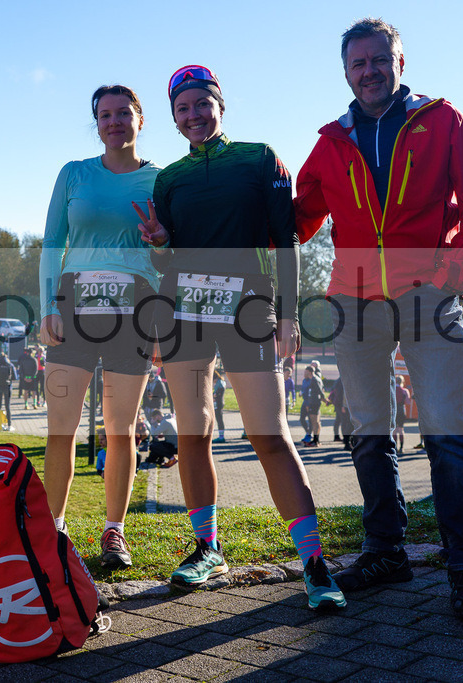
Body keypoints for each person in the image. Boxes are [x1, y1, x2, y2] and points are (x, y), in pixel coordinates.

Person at [295, 18, 463, 620]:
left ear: (400, 62)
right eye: (358, 63)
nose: (369, 71)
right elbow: (297, 218)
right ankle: (386, 551)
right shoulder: (331, 140)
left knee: (446, 431)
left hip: (427, 297)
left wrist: (451, 280)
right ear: (346, 72)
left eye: (379, 59)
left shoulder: (442, 121)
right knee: (367, 430)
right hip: (352, 301)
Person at [136, 65, 345, 609]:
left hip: (249, 309)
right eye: (182, 108)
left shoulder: (259, 159)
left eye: (201, 103)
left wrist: (289, 314)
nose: (193, 115)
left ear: (220, 105)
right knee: (193, 433)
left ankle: (315, 565)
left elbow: (285, 242)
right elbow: (167, 261)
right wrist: (159, 240)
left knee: (269, 434)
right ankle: (206, 548)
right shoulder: (169, 178)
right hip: (185, 314)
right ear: (174, 117)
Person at [39, 84, 162, 570]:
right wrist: (49, 304)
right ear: (97, 123)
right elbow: (52, 240)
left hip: (134, 307)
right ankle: (54, 527)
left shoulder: (160, 179)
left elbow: (166, 256)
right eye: (105, 115)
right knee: (61, 429)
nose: (114, 122)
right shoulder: (74, 174)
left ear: (140, 118)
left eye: (123, 113)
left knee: (121, 429)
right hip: (73, 303)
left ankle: (115, 531)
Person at [299, 366, 329, 447]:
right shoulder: (313, 379)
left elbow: (320, 390)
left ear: (309, 372)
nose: (304, 373)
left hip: (314, 403)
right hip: (313, 402)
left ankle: (316, 441)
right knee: (315, 422)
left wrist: (325, 400)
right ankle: (316, 440)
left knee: (315, 422)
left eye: (305, 372)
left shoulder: (315, 379)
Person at [0, 349, 15, 431]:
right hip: (7, 387)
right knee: (7, 406)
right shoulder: (10, 365)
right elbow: (15, 377)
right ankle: (9, 425)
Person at [393, 376, 412, 452]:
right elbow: (408, 402)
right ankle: (401, 447)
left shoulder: (392, 390)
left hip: (394, 410)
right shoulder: (405, 391)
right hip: (401, 410)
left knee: (394, 430)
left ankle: (394, 447)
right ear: (402, 382)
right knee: (400, 429)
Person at [212, 370, 226, 443]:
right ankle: (221, 436)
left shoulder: (219, 382)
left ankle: (221, 437)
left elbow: (218, 392)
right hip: (219, 402)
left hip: (218, 403)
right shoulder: (221, 381)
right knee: (219, 419)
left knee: (219, 420)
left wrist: (214, 395)